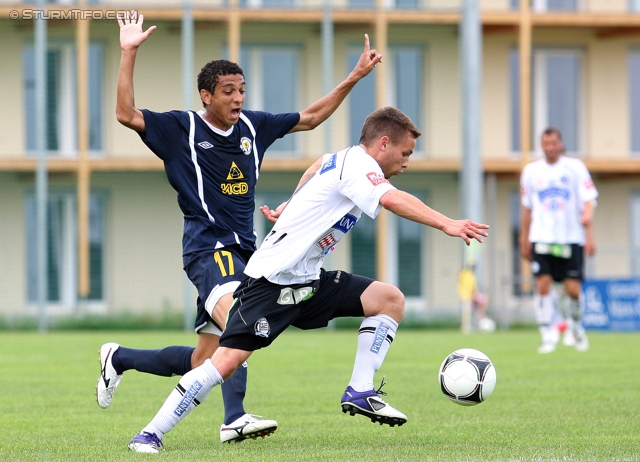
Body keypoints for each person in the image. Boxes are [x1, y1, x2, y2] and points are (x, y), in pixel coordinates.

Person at [126, 106, 490, 453]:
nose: (406, 162)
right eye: (405, 152)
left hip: (308, 281)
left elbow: (317, 165)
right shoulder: (359, 167)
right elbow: (392, 200)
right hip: (272, 282)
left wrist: (291, 204)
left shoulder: (344, 158)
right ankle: (149, 434)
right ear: (384, 143)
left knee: (389, 300)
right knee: (225, 363)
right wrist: (448, 223)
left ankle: (360, 390)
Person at [96, 11, 383, 444]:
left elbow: (310, 117)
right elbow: (124, 113)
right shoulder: (181, 129)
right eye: (228, 91)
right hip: (207, 251)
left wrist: (354, 78)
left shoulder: (253, 126)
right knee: (239, 323)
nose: (238, 99)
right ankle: (235, 418)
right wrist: (128, 52)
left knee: (204, 360)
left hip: (249, 255)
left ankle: (119, 359)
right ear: (205, 95)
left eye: (242, 90)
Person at [520, 127, 598, 354]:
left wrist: (588, 223)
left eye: (554, 143)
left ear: (560, 144)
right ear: (541, 145)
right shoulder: (531, 171)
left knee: (573, 289)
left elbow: (589, 199)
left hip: (570, 238)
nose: (550, 147)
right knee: (542, 285)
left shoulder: (575, 168)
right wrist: (523, 238)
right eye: (546, 143)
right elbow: (527, 208)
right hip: (542, 237)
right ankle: (547, 333)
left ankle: (575, 327)